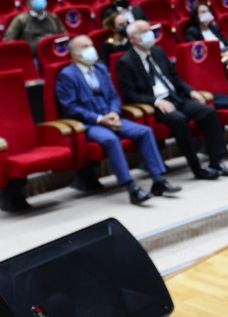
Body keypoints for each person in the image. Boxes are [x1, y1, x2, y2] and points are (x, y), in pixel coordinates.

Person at [55, 36, 178, 205]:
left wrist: (113, 112)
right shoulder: (67, 75)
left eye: (91, 45)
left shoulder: (100, 68)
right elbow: (71, 107)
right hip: (89, 124)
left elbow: (113, 95)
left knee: (145, 131)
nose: (92, 49)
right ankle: (131, 187)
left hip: (111, 116)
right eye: (85, 47)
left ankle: (158, 180)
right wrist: (100, 119)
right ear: (75, 54)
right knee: (111, 140)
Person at [118, 20, 228, 180]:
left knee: (209, 112)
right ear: (133, 39)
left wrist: (191, 91)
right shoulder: (126, 62)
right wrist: (156, 102)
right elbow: (130, 94)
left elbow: (175, 78)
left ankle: (216, 161)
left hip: (175, 97)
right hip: (156, 105)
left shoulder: (158, 52)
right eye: (145, 31)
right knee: (180, 120)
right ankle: (197, 167)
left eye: (149, 30)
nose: (150, 34)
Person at [181, 1, 228, 66]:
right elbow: (198, 52)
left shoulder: (215, 28)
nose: (206, 14)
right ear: (196, 16)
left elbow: (227, 43)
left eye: (208, 11)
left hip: (226, 54)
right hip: (211, 60)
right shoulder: (192, 32)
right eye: (203, 12)